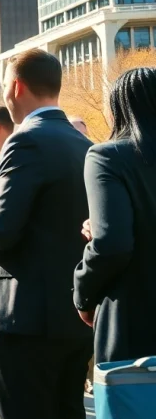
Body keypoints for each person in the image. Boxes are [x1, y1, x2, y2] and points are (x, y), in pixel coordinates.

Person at [0, 49, 92, 419]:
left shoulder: (23, 140)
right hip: (74, 312)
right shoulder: (86, 144)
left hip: (24, 316)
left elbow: (1, 232)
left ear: (15, 87)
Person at [74, 67, 156, 363]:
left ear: (117, 109)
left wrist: (83, 294)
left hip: (133, 318)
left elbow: (114, 244)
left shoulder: (107, 156)